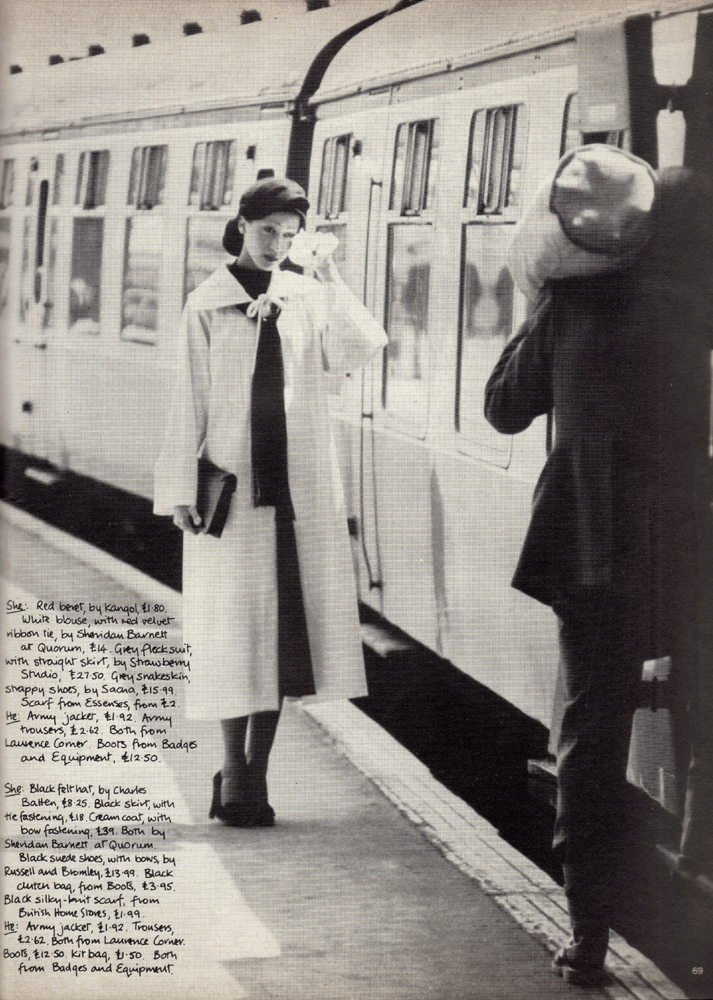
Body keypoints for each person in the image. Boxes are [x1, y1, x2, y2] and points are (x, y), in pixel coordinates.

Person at [484, 166, 713, 986]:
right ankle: (695, 860)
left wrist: (540, 301)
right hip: (692, 548)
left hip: (594, 548)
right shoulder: (697, 312)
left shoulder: (572, 305)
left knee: (590, 737)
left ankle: (586, 936)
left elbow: (503, 407)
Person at [153, 177, 387, 827]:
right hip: (229, 496)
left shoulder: (305, 295)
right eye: (267, 233)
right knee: (233, 637)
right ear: (241, 224)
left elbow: (360, 346)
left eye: (289, 237)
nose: (276, 247)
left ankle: (253, 779)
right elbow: (186, 404)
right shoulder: (206, 303)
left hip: (294, 494)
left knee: (282, 637)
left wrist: (329, 271)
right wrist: (177, 493)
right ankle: (233, 772)